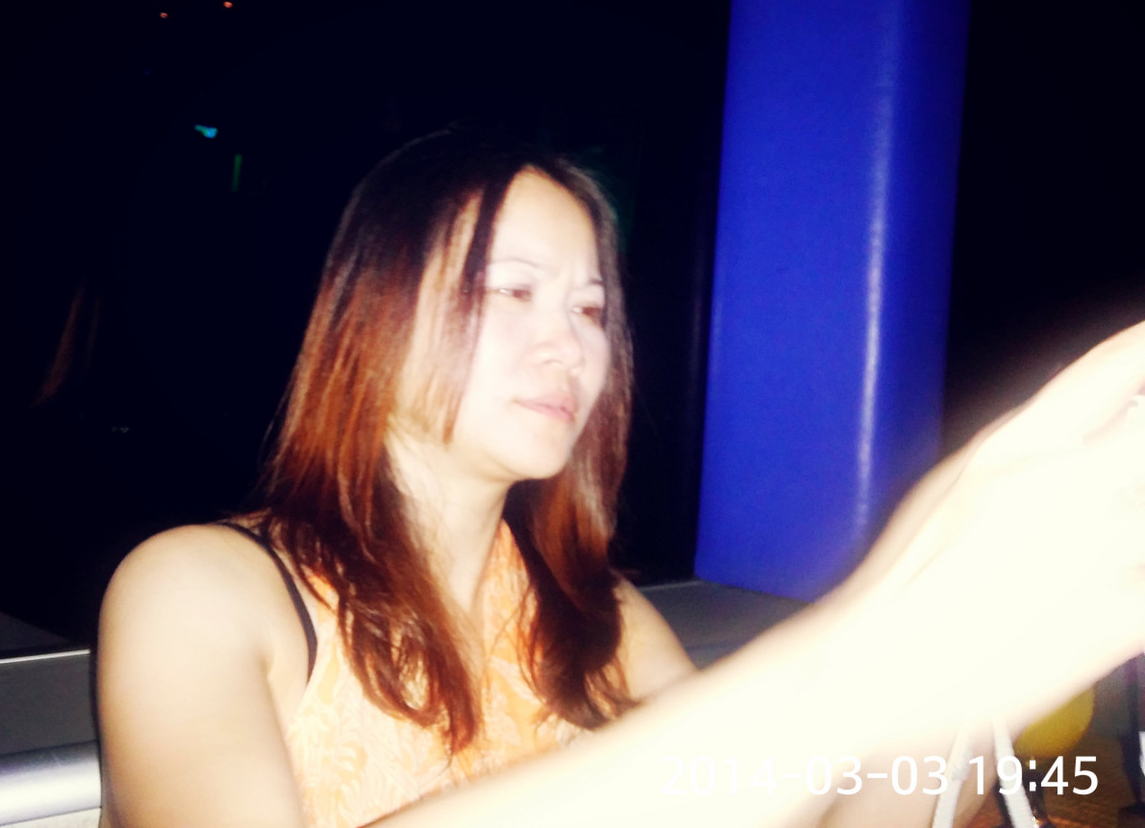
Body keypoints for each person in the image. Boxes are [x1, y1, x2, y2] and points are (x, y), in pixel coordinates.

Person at [95, 126, 1145, 828]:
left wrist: (959, 683)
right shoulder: (200, 590)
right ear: (374, 311)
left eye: (591, 309)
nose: (571, 346)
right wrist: (866, 639)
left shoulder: (597, 618)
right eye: (512, 291)